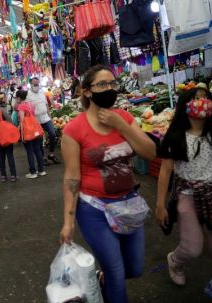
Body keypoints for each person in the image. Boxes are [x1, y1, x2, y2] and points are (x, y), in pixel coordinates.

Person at [60, 65, 156, 303]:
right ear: (88, 92)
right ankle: (110, 284)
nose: (109, 88)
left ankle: (102, 280)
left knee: (134, 269)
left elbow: (151, 153)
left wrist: (121, 125)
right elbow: (72, 177)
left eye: (112, 84)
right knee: (116, 272)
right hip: (94, 208)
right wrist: (68, 221)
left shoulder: (123, 118)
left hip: (129, 204)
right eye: (102, 84)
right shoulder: (74, 129)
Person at [156, 87, 212, 287]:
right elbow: (165, 171)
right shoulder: (175, 135)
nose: (202, 102)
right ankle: (175, 261)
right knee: (192, 247)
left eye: (206, 98)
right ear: (185, 105)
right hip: (187, 194)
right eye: (196, 98)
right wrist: (160, 205)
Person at [26, 77, 60, 164]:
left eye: (38, 84)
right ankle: (43, 157)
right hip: (36, 121)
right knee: (39, 140)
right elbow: (27, 109)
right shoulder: (28, 95)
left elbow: (46, 105)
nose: (37, 86)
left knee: (53, 134)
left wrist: (50, 116)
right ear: (31, 85)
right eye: (35, 84)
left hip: (46, 118)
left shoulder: (42, 92)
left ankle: (51, 154)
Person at [16, 90, 46, 179]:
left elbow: (22, 121)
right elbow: (33, 116)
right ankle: (41, 170)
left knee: (29, 151)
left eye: (16, 98)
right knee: (37, 150)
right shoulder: (31, 104)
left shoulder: (21, 106)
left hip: (28, 132)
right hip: (35, 130)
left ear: (19, 98)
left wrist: (22, 135)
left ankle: (33, 172)